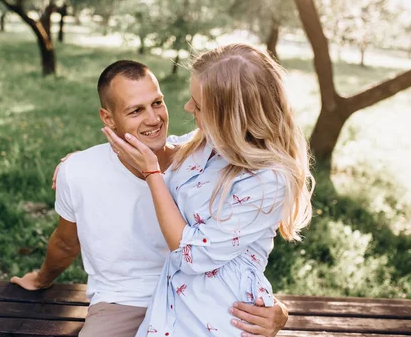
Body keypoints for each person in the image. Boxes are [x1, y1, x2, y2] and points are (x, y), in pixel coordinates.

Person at [11, 59, 289, 337]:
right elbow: (64, 243)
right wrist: (41, 278)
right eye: (136, 110)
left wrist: (279, 311)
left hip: (199, 298)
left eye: (157, 103)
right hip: (125, 301)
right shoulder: (79, 171)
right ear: (108, 118)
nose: (154, 119)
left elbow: (242, 240)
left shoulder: (204, 158)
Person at [103, 44, 314, 336]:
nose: (188, 108)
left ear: (230, 117)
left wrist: (152, 173)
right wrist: (83, 160)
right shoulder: (210, 141)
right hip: (172, 305)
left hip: (217, 318)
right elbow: (165, 151)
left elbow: (191, 256)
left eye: (198, 105)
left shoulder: (269, 180)